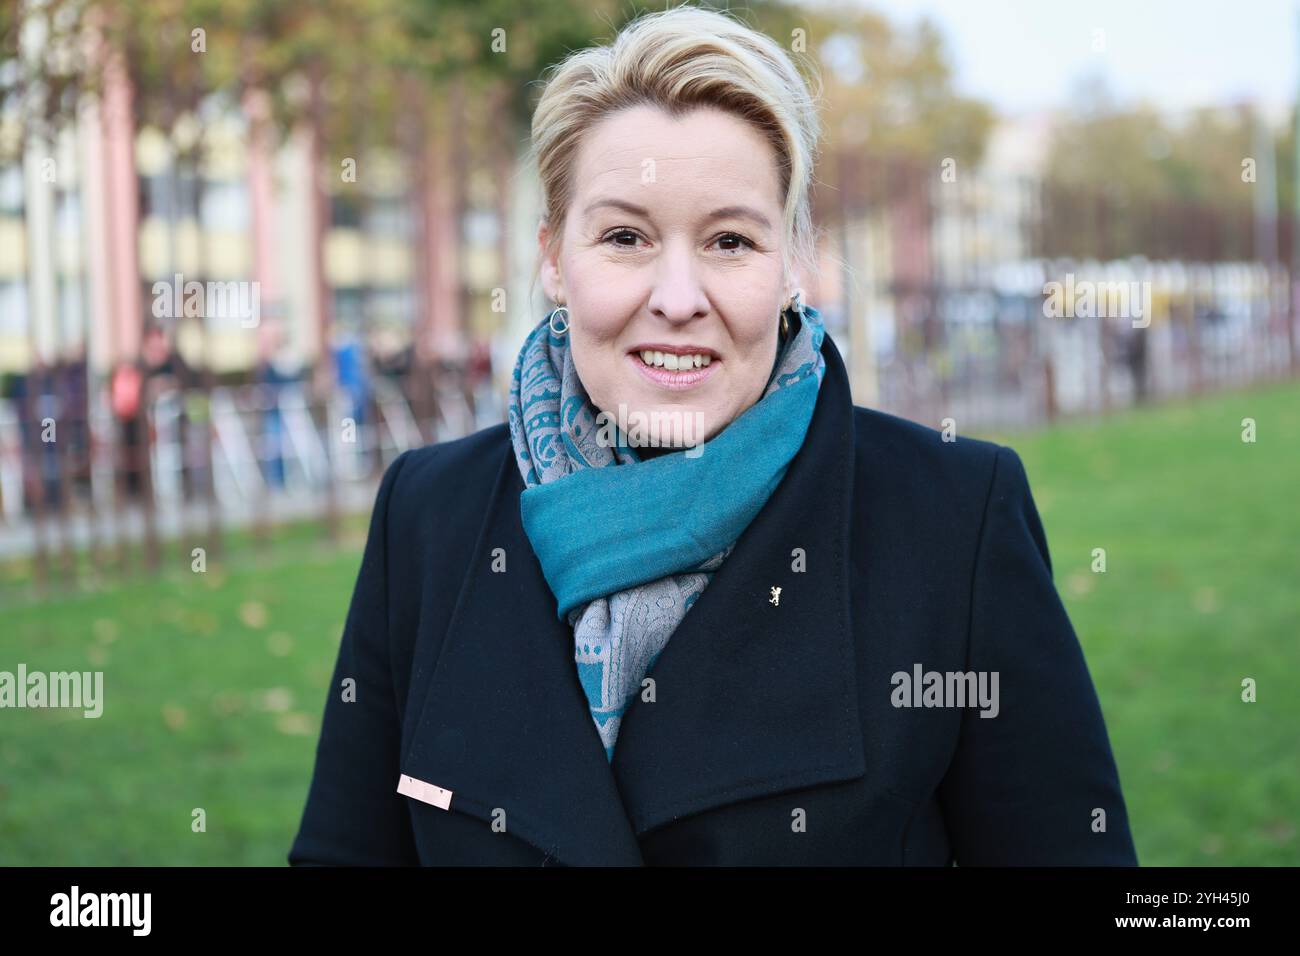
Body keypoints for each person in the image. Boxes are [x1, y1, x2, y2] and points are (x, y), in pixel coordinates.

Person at [290, 5, 1136, 867]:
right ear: (553, 257)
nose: (679, 297)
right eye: (625, 237)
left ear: (794, 265)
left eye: (731, 240)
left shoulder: (954, 519)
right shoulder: (428, 515)